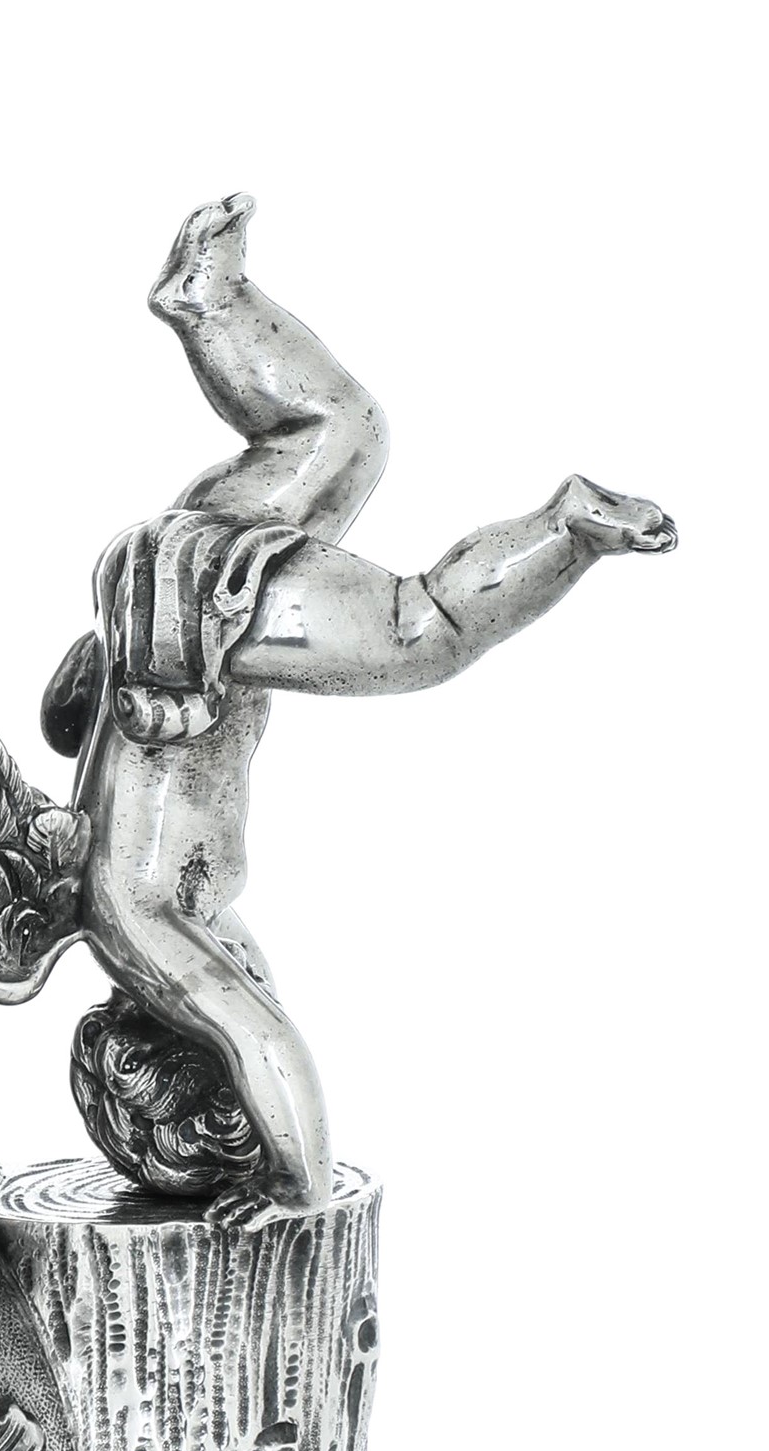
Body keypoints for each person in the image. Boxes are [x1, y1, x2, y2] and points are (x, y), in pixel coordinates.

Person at [49, 194, 675, 1201]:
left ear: (187, 1066)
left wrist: (295, 1186)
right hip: (168, 599)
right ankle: (210, 301)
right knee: (340, 433)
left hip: (202, 624)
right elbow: (63, 718)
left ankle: (571, 525)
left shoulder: (148, 936)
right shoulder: (148, 908)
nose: (255, 986)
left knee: (418, 632)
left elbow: (266, 1046)